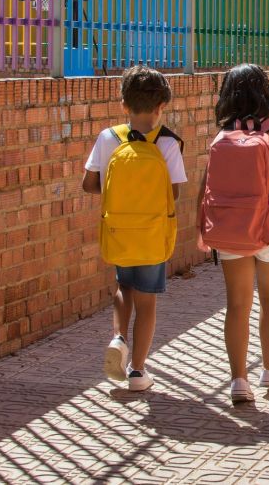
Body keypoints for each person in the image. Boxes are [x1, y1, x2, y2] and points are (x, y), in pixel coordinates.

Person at [197, 64, 269, 404]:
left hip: (231, 228)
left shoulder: (222, 136)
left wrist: (201, 228)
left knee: (237, 303)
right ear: (266, 91)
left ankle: (238, 380)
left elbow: (206, 187)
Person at [82, 65, 187, 392]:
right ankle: (138, 371)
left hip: (119, 229)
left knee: (122, 286)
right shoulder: (168, 142)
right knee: (147, 301)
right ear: (161, 106)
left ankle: (118, 338)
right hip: (153, 232)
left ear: (124, 104)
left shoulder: (108, 138)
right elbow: (173, 193)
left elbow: (89, 184)